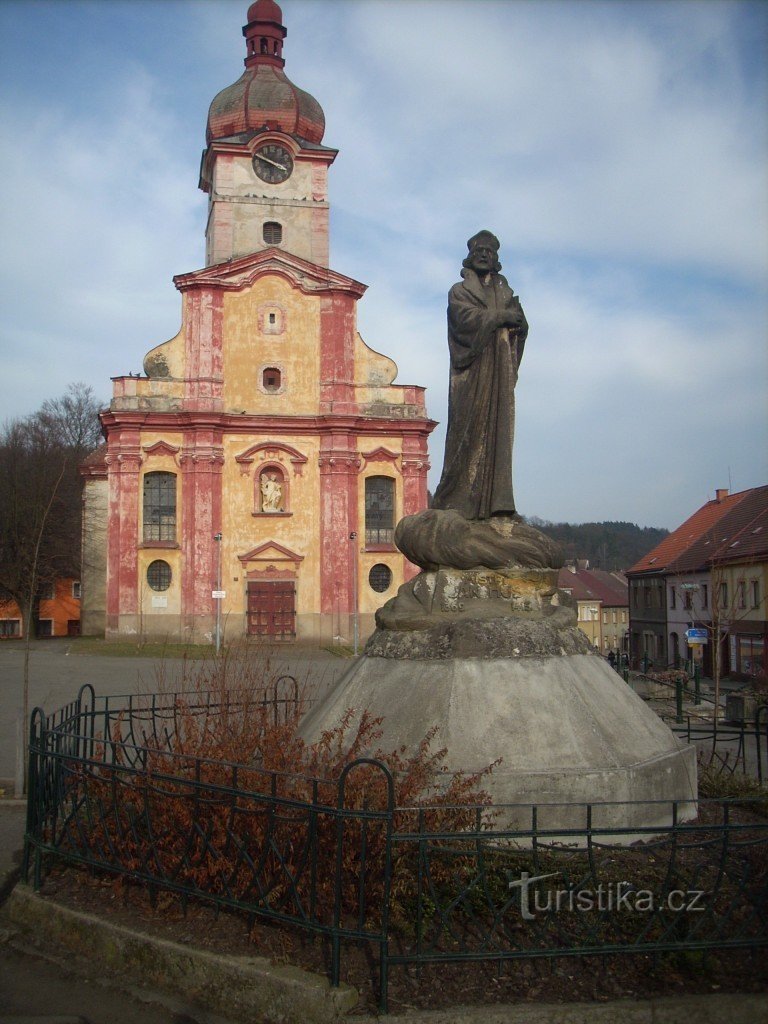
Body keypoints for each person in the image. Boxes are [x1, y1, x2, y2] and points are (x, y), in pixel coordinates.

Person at [431, 231, 528, 520]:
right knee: (467, 434)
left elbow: (521, 324)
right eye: (479, 250)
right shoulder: (459, 291)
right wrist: (499, 318)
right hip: (472, 374)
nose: (484, 254)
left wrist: (518, 324)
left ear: (496, 259)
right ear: (470, 256)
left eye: (490, 251)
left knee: (499, 433)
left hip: (499, 373)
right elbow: (463, 321)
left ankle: (497, 505)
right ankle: (457, 502)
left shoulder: (506, 293)